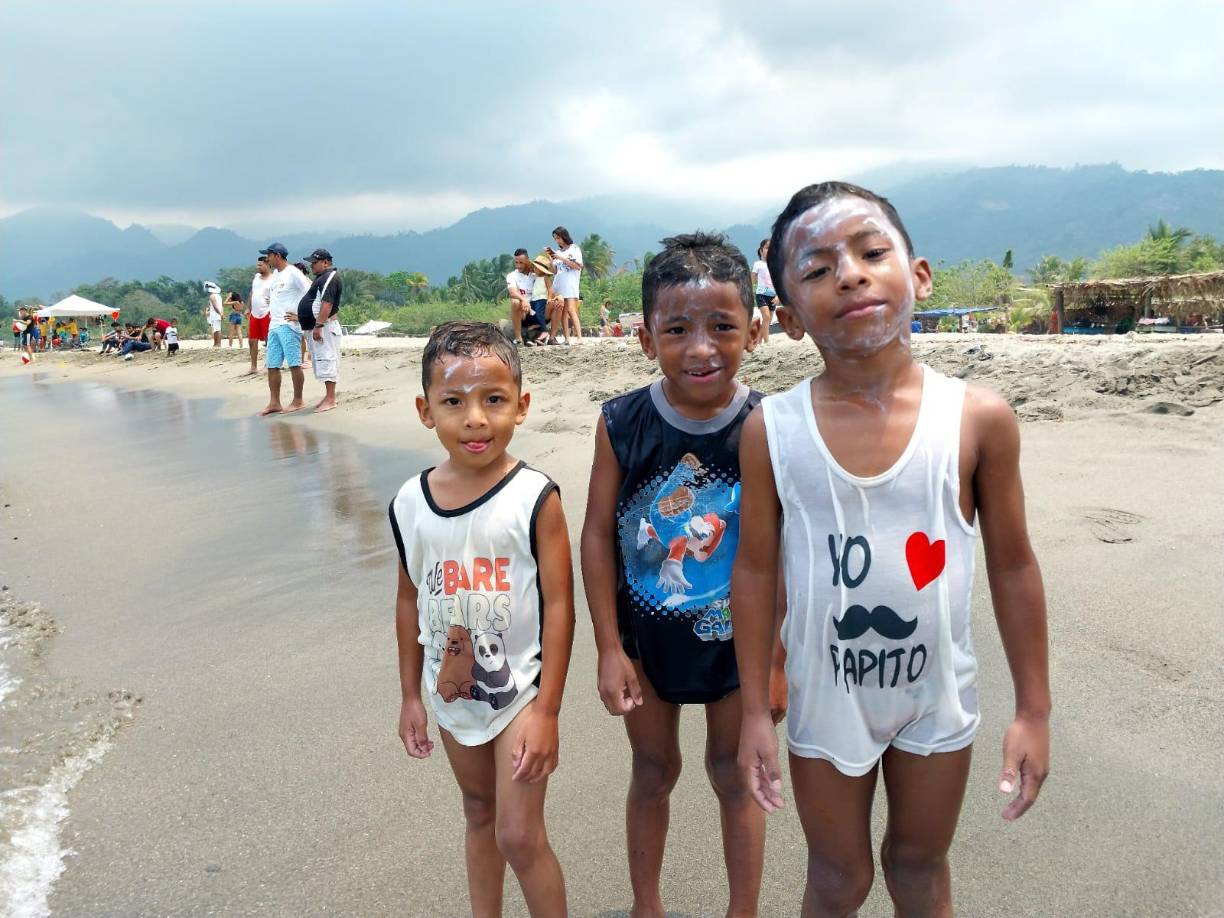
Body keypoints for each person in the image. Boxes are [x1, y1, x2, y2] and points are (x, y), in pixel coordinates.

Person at [733, 181, 1051, 916]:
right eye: (816, 270)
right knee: (837, 879)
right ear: (786, 317)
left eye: (873, 252)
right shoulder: (772, 429)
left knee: (917, 865)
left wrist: (1034, 709)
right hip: (826, 696)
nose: (850, 273)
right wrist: (755, 707)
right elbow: (752, 571)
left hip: (936, 697)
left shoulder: (977, 419)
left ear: (920, 274)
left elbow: (1013, 565)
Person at [580, 232, 774, 918]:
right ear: (645, 338)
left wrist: (775, 658)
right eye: (677, 329)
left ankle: (742, 909)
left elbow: (787, 552)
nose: (700, 347)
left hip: (737, 643)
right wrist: (609, 646)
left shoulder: (768, 427)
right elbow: (598, 537)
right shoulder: (622, 423)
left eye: (721, 326)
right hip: (646, 642)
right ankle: (646, 905)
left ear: (756, 328)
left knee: (734, 774)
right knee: (654, 770)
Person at [389, 321, 574, 917]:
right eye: (453, 402)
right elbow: (407, 601)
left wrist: (547, 709)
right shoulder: (409, 504)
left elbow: (561, 604)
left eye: (493, 400)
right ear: (425, 410)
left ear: (520, 406)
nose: (474, 418)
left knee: (519, 834)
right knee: (479, 813)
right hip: (450, 691)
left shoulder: (535, 497)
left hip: (520, 690)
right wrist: (410, 697)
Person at [258, 243, 311, 415]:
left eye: (269, 255)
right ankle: (274, 402)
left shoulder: (293, 273)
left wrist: (300, 316)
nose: (267, 259)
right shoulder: (275, 274)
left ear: (277, 256)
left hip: (289, 326)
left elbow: (310, 292)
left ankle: (298, 400)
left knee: (294, 364)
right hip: (274, 326)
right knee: (272, 365)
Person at [298, 248, 343, 413]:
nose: (312, 266)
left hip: (325, 327)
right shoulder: (321, 278)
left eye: (314, 263)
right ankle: (327, 396)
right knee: (322, 360)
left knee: (327, 359)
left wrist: (319, 325)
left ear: (326, 262)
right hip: (318, 326)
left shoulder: (330, 277)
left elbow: (327, 303)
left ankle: (331, 399)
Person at [545, 227, 583, 343]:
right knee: (563, 312)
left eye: (558, 238)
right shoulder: (557, 253)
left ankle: (579, 337)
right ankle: (567, 338)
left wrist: (560, 257)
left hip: (570, 284)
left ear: (564, 236)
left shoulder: (574, 249)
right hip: (559, 285)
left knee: (572, 310)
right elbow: (555, 271)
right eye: (555, 239)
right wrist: (551, 259)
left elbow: (578, 266)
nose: (557, 241)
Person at [505, 248, 544, 346]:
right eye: (516, 262)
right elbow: (513, 292)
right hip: (523, 309)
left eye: (521, 262)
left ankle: (551, 337)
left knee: (556, 302)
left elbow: (551, 272)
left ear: (527, 261)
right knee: (515, 302)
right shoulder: (512, 276)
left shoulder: (536, 274)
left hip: (537, 307)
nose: (518, 265)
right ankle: (519, 338)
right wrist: (523, 300)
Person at [247, 255, 274, 375]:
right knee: (252, 341)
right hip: (254, 313)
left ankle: (269, 364)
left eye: (260, 265)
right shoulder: (256, 277)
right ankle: (253, 366)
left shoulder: (273, 279)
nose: (258, 267)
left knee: (269, 341)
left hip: (267, 312)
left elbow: (279, 294)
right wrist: (248, 307)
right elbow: (252, 292)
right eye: (257, 264)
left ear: (268, 264)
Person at [751, 239, 779, 344]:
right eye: (767, 248)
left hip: (773, 296)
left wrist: (778, 296)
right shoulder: (757, 264)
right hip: (761, 294)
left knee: (768, 320)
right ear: (761, 250)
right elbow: (752, 279)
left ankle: (759, 340)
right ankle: (766, 342)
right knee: (766, 317)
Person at [204, 282, 224, 347]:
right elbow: (221, 306)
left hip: (215, 315)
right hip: (218, 314)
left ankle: (217, 343)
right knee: (217, 329)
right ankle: (217, 343)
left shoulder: (212, 296)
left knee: (216, 330)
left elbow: (215, 306)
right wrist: (221, 313)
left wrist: (220, 313)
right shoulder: (219, 296)